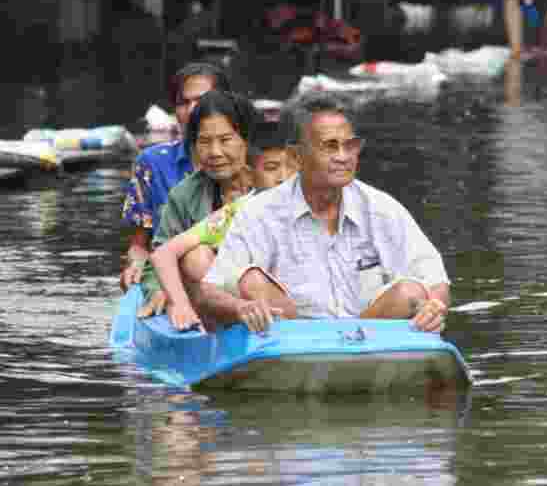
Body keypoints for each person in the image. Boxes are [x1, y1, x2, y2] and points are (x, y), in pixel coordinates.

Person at [193, 94, 451, 335]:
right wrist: (241, 308)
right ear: (297, 156)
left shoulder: (381, 208)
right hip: (291, 342)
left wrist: (433, 308)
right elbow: (208, 292)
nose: (344, 157)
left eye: (350, 146)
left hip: (367, 338)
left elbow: (435, 280)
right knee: (252, 282)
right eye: (330, 147)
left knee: (412, 292)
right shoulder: (259, 213)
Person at [149, 118, 298, 331]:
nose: (284, 178)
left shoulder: (321, 206)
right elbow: (162, 254)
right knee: (197, 259)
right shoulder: (237, 212)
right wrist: (180, 304)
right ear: (249, 176)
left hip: (311, 308)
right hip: (259, 307)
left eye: (294, 168)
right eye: (272, 168)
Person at [119, 62, 231, 312]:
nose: (192, 110)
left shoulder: (245, 163)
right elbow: (141, 243)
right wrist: (137, 265)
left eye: (201, 101)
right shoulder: (152, 163)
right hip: (168, 270)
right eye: (183, 103)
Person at [132, 90, 258, 309]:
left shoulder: (274, 187)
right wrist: (160, 291)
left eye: (225, 140)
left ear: (247, 140)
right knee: (196, 256)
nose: (214, 152)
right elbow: (157, 258)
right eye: (204, 142)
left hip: (266, 292)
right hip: (210, 304)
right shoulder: (184, 195)